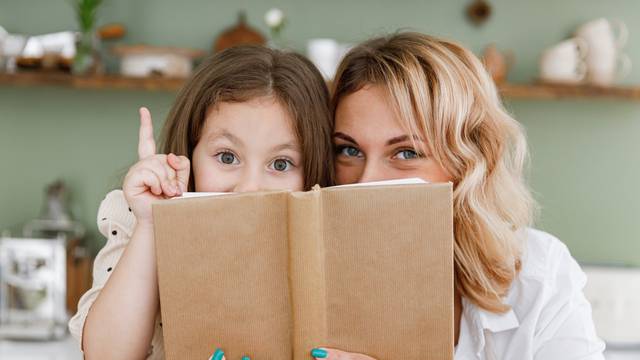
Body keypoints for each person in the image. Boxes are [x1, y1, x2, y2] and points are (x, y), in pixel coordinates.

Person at [308, 32, 605, 360]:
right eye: (349, 150)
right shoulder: (306, 277)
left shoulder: (538, 275)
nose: (367, 180)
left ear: (466, 163)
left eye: (406, 153)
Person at [68, 45, 334, 360]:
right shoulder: (136, 218)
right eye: (227, 156)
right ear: (189, 154)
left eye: (280, 164)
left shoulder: (326, 237)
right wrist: (151, 224)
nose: (249, 189)